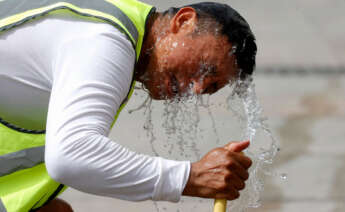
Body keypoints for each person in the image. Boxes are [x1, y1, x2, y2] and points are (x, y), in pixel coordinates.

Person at [0, 0, 257, 211]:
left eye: (211, 88)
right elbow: (69, 156)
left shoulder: (119, 25)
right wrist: (189, 177)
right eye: (205, 68)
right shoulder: (107, 41)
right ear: (184, 21)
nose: (198, 89)